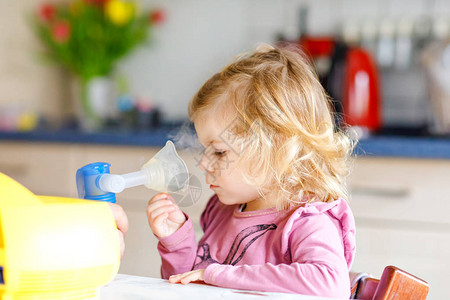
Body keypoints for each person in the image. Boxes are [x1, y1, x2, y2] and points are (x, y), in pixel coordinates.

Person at [146, 44, 356, 298]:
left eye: (220, 152)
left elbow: (330, 285)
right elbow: (190, 288)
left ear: (276, 147)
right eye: (205, 149)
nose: (203, 164)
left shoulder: (305, 222)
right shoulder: (221, 211)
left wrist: (217, 274)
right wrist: (177, 243)